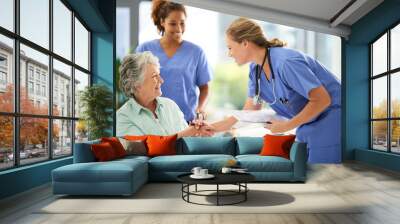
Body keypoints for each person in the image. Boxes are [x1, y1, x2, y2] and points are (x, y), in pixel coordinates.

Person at [225, 18, 341, 163]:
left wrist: (286, 126)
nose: (229, 54)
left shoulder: (286, 63)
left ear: (245, 43)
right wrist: (212, 127)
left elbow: (322, 99)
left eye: (230, 48)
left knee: (324, 175)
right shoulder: (255, 70)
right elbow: (250, 110)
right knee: (308, 174)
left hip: (332, 119)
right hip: (307, 125)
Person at [116, 52, 237, 137]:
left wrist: (199, 131)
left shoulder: (170, 106)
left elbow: (186, 139)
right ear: (137, 84)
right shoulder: (123, 117)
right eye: (154, 76)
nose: (161, 80)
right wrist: (191, 131)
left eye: (159, 74)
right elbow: (147, 148)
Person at [136, 0, 212, 123]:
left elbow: (205, 88)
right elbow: (136, 85)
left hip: (186, 121)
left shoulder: (196, 52)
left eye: (182, 23)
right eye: (173, 24)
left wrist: (200, 109)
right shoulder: (145, 49)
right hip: (152, 120)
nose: (179, 28)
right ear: (162, 22)